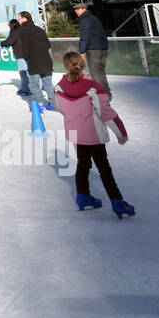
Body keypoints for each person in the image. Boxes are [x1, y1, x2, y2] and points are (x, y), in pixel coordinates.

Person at [54, 52, 134, 218]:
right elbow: (106, 113)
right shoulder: (93, 87)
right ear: (82, 63)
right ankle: (117, 202)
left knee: (83, 163)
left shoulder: (59, 86)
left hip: (75, 133)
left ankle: (82, 196)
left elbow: (59, 108)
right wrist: (121, 134)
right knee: (104, 168)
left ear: (66, 66)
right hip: (92, 134)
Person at [15, 11, 56, 108]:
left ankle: (39, 103)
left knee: (34, 84)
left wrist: (27, 58)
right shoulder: (40, 30)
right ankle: (53, 103)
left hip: (34, 62)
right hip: (46, 61)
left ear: (25, 19)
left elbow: (25, 48)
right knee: (48, 83)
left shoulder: (23, 31)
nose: (18, 21)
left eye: (19, 19)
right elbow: (48, 45)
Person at [73, 2, 112, 97]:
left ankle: (101, 94)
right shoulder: (93, 18)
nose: (76, 11)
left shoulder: (85, 20)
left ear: (84, 9)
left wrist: (82, 51)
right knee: (100, 71)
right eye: (75, 9)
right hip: (102, 48)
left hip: (94, 49)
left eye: (78, 9)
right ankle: (106, 92)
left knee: (95, 72)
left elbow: (85, 36)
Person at [0, 18, 32, 97]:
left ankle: (25, 90)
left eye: (9, 25)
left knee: (23, 72)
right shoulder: (23, 30)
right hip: (29, 54)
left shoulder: (14, 32)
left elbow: (9, 42)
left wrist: (2, 43)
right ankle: (32, 87)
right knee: (30, 72)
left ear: (12, 25)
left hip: (21, 55)